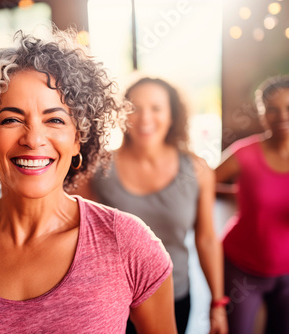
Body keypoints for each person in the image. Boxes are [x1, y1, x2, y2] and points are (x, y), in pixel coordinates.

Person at [0, 30, 176, 333]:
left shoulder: (128, 243)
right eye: (11, 119)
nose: (34, 139)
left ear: (78, 139)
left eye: (55, 119)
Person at [76, 77, 228, 334]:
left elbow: (207, 240)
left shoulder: (198, 170)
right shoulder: (98, 167)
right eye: (134, 108)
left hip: (175, 294)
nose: (145, 118)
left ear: (172, 115)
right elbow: (78, 237)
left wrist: (218, 304)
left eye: (156, 108)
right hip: (111, 299)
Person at [215, 75, 289, 334]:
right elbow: (205, 183)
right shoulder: (244, 153)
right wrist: (240, 193)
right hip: (242, 267)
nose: (282, 115)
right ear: (262, 114)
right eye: (272, 108)